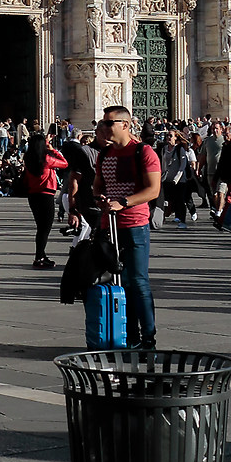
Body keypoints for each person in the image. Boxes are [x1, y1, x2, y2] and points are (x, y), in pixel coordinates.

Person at [96, 106, 161, 348]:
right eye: (103, 123)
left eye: (108, 123)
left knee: (138, 281)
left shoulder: (144, 152)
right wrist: (100, 199)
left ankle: (148, 337)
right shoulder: (104, 155)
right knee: (117, 282)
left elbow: (153, 190)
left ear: (125, 124)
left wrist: (123, 202)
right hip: (109, 226)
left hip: (134, 224)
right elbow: (97, 186)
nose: (103, 127)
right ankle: (128, 334)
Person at [22, 125, 67, 268]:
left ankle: (41, 255)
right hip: (46, 194)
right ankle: (39, 257)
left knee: (40, 227)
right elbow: (65, 164)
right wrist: (52, 149)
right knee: (45, 228)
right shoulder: (47, 159)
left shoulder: (28, 159)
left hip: (33, 195)